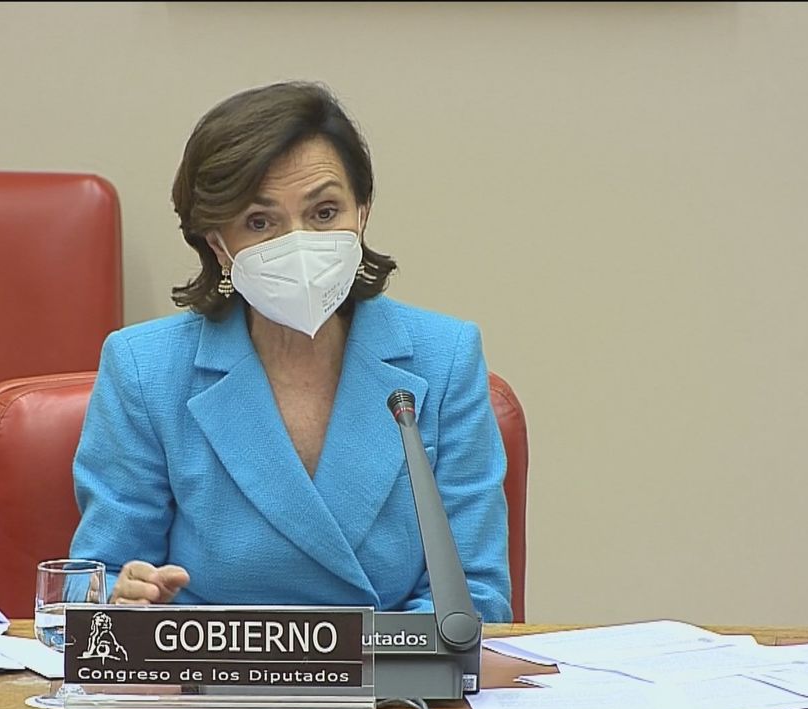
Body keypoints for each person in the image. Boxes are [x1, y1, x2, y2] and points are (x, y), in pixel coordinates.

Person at [69, 81, 512, 623]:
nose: (299, 244)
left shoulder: (446, 358)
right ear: (218, 244)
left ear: (362, 213)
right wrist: (123, 599)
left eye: (324, 212)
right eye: (260, 223)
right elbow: (91, 580)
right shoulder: (144, 369)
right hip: (209, 667)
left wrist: (384, 658)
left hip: (388, 672)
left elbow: (474, 596)